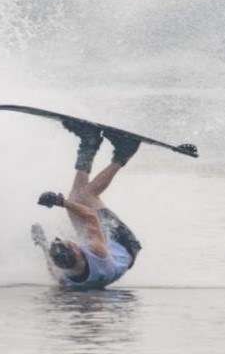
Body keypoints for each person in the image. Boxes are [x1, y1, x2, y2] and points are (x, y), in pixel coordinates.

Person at [30, 120, 143, 290]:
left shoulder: (66, 277)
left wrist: (42, 242)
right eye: (70, 244)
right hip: (125, 243)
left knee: (76, 197)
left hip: (112, 249)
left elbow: (51, 265)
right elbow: (89, 214)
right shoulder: (98, 252)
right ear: (76, 252)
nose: (72, 242)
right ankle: (124, 152)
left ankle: (89, 142)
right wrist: (61, 202)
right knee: (86, 196)